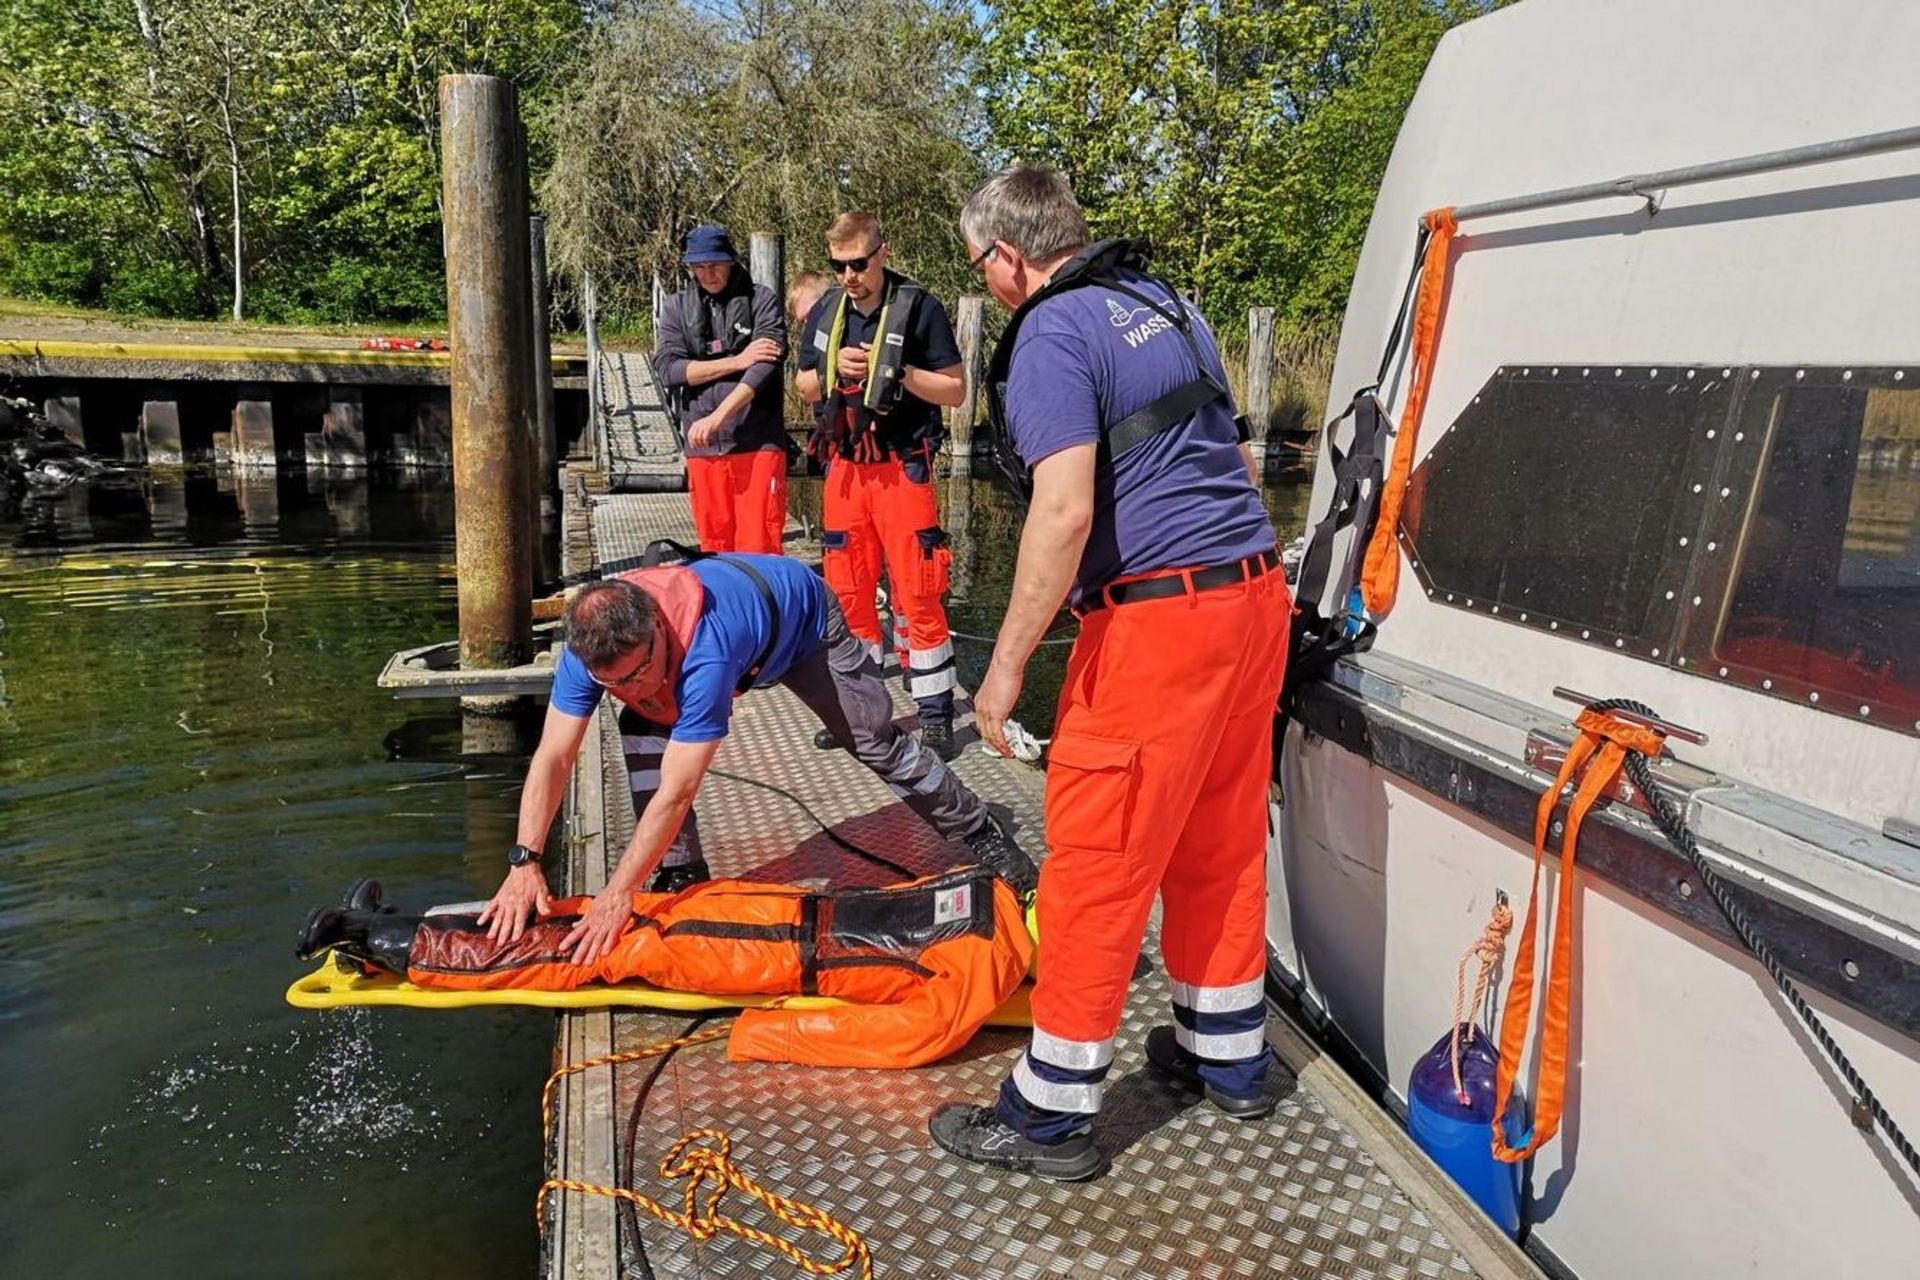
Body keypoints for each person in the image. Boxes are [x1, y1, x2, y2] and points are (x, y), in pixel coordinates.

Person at [927, 166, 1291, 1182]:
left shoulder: (1052, 329)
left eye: (981, 266)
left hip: (1161, 623)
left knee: (1095, 854)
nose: (990, 283)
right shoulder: (1168, 303)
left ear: (1007, 255)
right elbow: (1236, 458)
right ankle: (1228, 1053)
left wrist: (999, 675)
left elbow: (1065, 510)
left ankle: (1048, 1116)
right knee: (1218, 831)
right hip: (1255, 595)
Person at [476, 549, 1035, 969]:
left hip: (805, 626)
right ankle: (679, 874)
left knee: (873, 741)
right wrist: (524, 860)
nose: (624, 687)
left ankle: (979, 828)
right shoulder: (590, 650)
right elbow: (553, 755)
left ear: (656, 632)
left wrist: (616, 891)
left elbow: (678, 791)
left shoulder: (708, 648)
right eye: (609, 683)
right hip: (727, 641)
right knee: (642, 727)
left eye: (634, 675)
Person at [299, 866, 1031, 1069]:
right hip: (765, 940)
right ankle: (392, 931)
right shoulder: (985, 958)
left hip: (768, 924)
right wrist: (768, 1035)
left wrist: (771, 1033)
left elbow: (898, 1034)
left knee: (590, 930)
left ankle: (387, 934)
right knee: (591, 936)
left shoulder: (986, 889)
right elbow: (906, 1038)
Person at [794, 212, 968, 760]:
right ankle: (860, 713)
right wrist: (831, 370)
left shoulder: (920, 308)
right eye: (839, 266)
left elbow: (957, 390)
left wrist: (893, 371)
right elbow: (802, 386)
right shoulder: (826, 311)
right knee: (847, 595)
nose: (849, 275)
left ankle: (936, 713)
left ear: (882, 253)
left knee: (919, 589)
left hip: (902, 467)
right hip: (845, 469)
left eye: (858, 264)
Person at [654, 224, 790, 554]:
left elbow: (766, 364)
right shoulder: (675, 307)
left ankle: (762, 605)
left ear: (730, 261)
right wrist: (736, 360)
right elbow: (669, 369)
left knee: (759, 542)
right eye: (699, 267)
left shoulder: (761, 300)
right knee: (714, 545)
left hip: (756, 441)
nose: (708, 273)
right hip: (704, 447)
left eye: (714, 264)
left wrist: (719, 412)